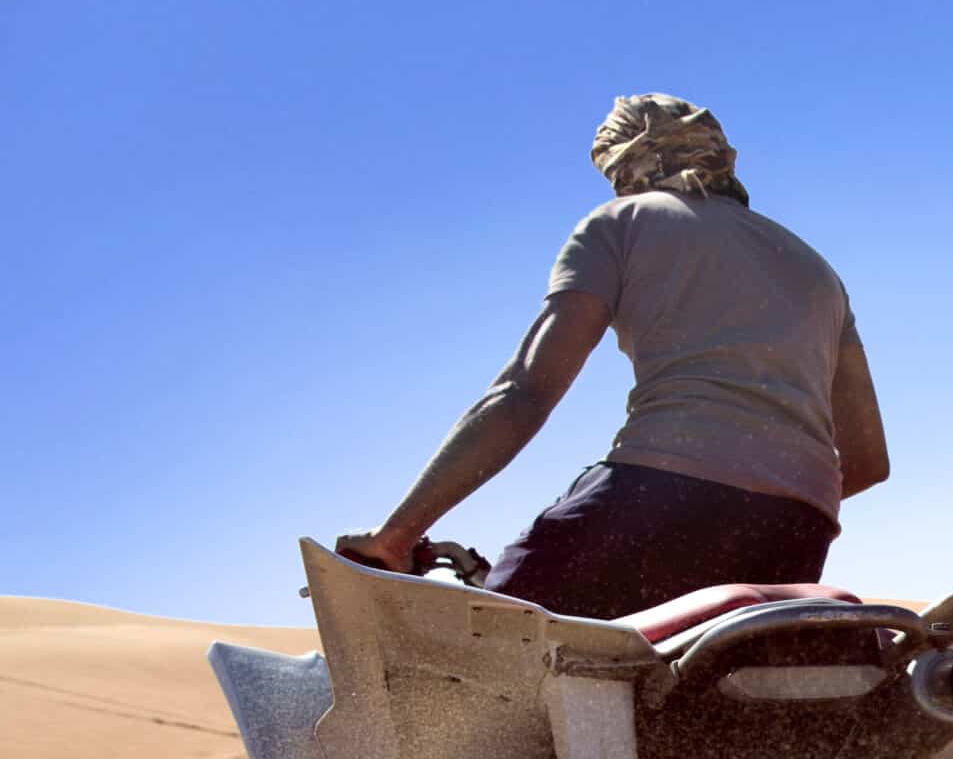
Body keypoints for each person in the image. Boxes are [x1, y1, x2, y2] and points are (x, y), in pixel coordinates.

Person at [336, 94, 889, 620]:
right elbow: (868, 462)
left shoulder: (621, 224)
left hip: (658, 494)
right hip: (798, 529)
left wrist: (398, 535)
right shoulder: (818, 271)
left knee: (499, 633)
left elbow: (525, 394)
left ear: (627, 162)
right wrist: (762, 494)